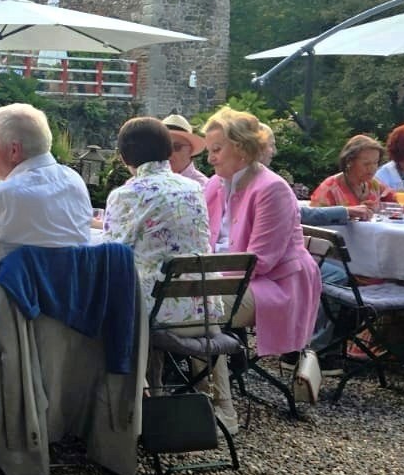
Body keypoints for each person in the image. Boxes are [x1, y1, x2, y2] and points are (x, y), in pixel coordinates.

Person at [201, 107, 321, 426]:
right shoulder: (214, 184)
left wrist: (202, 274)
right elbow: (201, 239)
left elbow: (259, 261)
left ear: (241, 148)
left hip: (277, 284)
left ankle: (222, 410)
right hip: (227, 277)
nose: (210, 158)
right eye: (209, 150)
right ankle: (195, 399)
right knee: (176, 308)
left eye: (217, 149)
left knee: (198, 311)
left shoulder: (272, 188)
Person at [0, 103, 93, 272]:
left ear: (14, 151)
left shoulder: (5, 195)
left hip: (19, 289)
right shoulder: (74, 180)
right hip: (72, 287)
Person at [105, 117, 212, 326]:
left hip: (153, 311)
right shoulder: (194, 188)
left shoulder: (126, 194)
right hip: (203, 308)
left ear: (124, 157)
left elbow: (112, 255)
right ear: (168, 151)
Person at [309, 135, 389, 221]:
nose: (372, 168)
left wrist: (379, 209)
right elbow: (312, 218)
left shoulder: (374, 185)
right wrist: (346, 213)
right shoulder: (330, 189)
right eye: (366, 163)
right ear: (349, 161)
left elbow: (397, 202)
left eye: (375, 162)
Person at [162, 113, 208, 185]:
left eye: (176, 147)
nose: (169, 152)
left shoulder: (203, 185)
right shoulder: (149, 182)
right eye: (163, 147)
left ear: (190, 149)